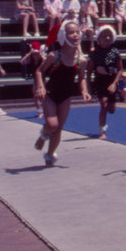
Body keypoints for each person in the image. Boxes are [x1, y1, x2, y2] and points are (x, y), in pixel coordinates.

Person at [34, 20, 90, 166]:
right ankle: (43, 135)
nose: (75, 35)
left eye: (77, 31)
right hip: (51, 94)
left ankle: (50, 154)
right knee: (52, 124)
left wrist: (84, 90)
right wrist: (40, 86)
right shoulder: (54, 55)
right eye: (71, 32)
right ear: (63, 36)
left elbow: (82, 78)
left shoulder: (81, 60)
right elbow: (39, 71)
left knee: (58, 128)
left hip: (66, 96)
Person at [89, 26, 122, 139]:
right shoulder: (95, 52)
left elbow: (120, 69)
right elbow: (89, 71)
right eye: (104, 35)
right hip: (100, 82)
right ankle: (102, 131)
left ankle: (110, 105)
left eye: (109, 35)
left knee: (111, 109)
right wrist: (88, 87)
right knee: (103, 104)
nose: (107, 37)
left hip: (112, 81)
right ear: (100, 37)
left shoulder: (115, 52)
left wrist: (114, 83)